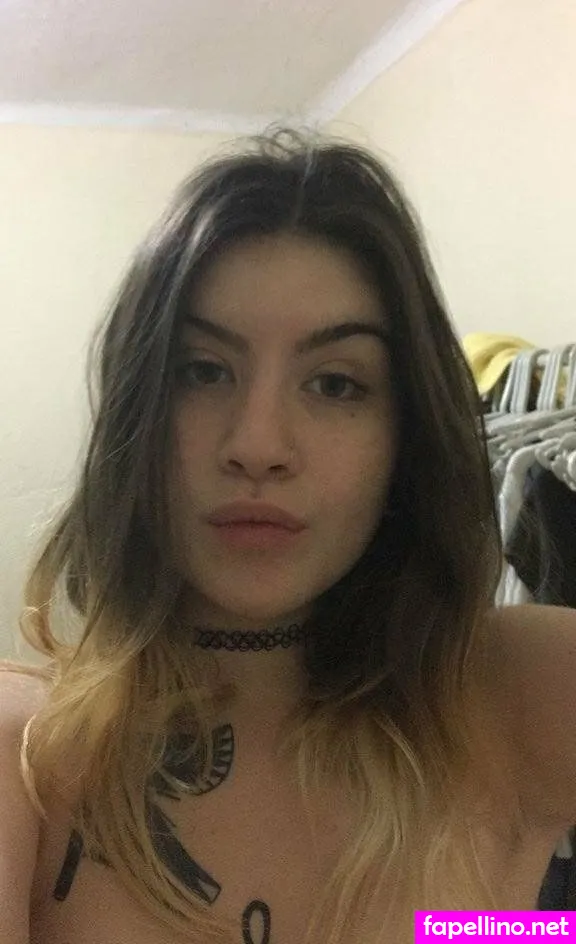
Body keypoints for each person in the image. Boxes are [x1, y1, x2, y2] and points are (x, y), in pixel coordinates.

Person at [1, 126, 576, 944]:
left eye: (335, 384)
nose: (258, 444)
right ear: (137, 414)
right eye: (203, 371)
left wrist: (530, 933)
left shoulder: (518, 691)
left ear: (404, 436)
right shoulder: (28, 755)